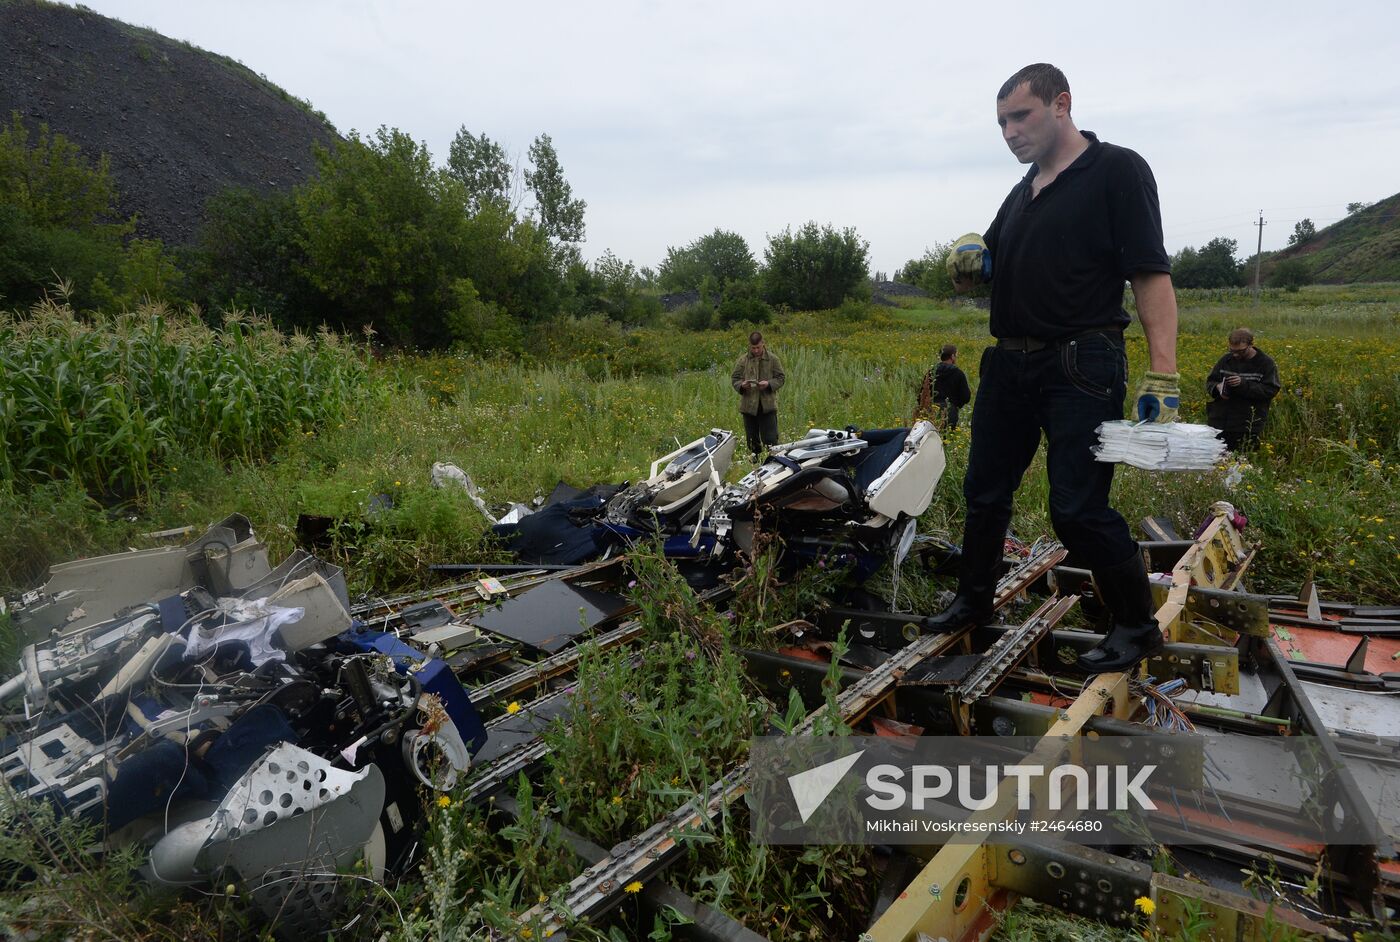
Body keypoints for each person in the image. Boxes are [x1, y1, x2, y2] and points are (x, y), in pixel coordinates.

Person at [925, 63, 1182, 674]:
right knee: (984, 493)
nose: (1010, 132)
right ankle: (973, 600)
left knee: (1077, 507)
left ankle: (1136, 626)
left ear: (1061, 104)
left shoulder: (1116, 169)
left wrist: (1163, 373)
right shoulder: (1023, 191)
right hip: (1008, 362)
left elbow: (1149, 272)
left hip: (1081, 362)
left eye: (1021, 116)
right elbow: (989, 264)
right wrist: (973, 264)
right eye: (1001, 123)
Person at [1205, 328, 1281, 451]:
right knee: (1217, 461)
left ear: (1251, 344)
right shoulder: (1226, 360)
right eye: (1232, 350)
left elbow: (1270, 390)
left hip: (1247, 424)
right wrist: (1217, 387)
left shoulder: (1266, 363)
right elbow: (1210, 382)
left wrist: (1243, 384)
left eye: (1240, 351)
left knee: (1243, 461)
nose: (1235, 354)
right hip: (1220, 421)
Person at [731, 330, 785, 456]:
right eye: (753, 347)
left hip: (767, 406)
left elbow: (781, 378)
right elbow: (735, 379)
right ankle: (755, 469)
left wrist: (769, 384)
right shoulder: (743, 360)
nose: (755, 350)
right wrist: (742, 385)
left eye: (758, 347)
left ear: (763, 344)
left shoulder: (773, 359)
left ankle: (774, 466)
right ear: (749, 346)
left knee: (771, 441)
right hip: (748, 407)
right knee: (752, 443)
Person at [931, 343, 972, 430]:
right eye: (956, 355)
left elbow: (922, 394)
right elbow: (966, 397)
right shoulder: (958, 373)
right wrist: (956, 405)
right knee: (948, 439)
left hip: (931, 413)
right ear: (952, 356)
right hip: (950, 412)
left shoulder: (931, 372)